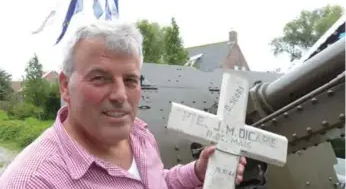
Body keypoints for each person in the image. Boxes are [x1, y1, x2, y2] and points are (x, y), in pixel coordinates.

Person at [0, 21, 247, 188]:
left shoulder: (139, 134)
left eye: (130, 80)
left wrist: (197, 172)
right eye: (100, 78)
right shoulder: (34, 182)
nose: (120, 95)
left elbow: (155, 182)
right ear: (65, 86)